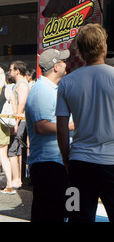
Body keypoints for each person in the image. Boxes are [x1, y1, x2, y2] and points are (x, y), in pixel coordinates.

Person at [56, 23, 114, 222]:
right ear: (103, 45)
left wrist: (67, 160)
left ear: (79, 50)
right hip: (112, 163)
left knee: (76, 218)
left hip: (78, 165)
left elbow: (61, 128)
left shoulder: (67, 82)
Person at [25, 48, 73, 221]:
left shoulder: (50, 89)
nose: (66, 63)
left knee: (65, 211)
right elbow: (41, 126)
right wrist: (72, 125)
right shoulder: (42, 90)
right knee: (49, 214)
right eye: (63, 61)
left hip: (58, 163)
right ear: (55, 67)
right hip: (49, 165)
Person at [8, 60, 30, 190]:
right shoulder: (19, 84)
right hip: (19, 119)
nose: (9, 72)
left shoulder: (22, 85)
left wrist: (15, 122)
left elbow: (21, 105)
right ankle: (17, 179)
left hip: (20, 120)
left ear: (17, 71)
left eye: (11, 69)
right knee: (16, 149)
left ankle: (16, 180)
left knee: (13, 149)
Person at [0, 67, 14, 195]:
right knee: (4, 155)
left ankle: (10, 184)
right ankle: (10, 184)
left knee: (3, 156)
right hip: (3, 124)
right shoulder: (7, 89)